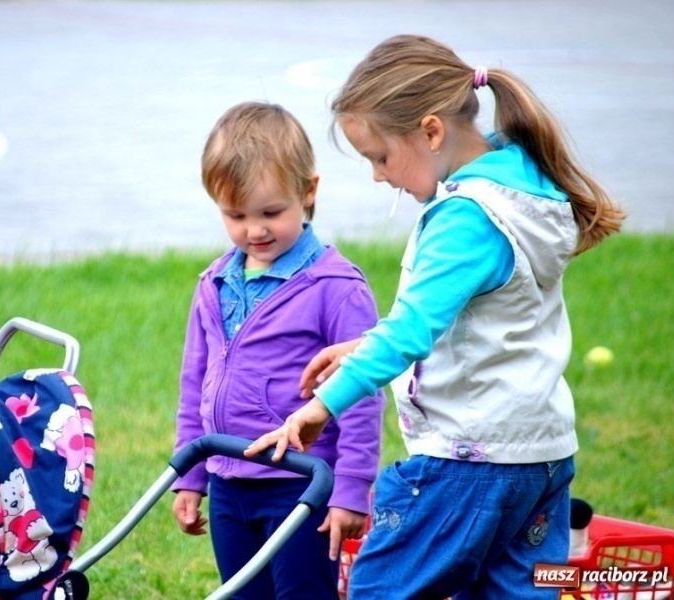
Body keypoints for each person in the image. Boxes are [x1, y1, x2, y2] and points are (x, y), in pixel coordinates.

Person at [246, 34, 626, 599]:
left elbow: (410, 331)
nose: (378, 175)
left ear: (430, 131)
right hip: (541, 457)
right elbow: (480, 321)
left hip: (468, 460)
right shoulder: (525, 187)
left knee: (381, 589)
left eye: (380, 157)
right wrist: (361, 347)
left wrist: (321, 407)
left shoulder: (465, 219)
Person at [171, 101, 383, 599]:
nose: (254, 231)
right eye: (235, 215)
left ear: (308, 192)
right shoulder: (215, 283)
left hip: (301, 485)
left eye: (271, 212)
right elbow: (194, 384)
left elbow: (362, 393)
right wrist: (190, 473)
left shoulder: (336, 287)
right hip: (227, 482)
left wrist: (351, 487)